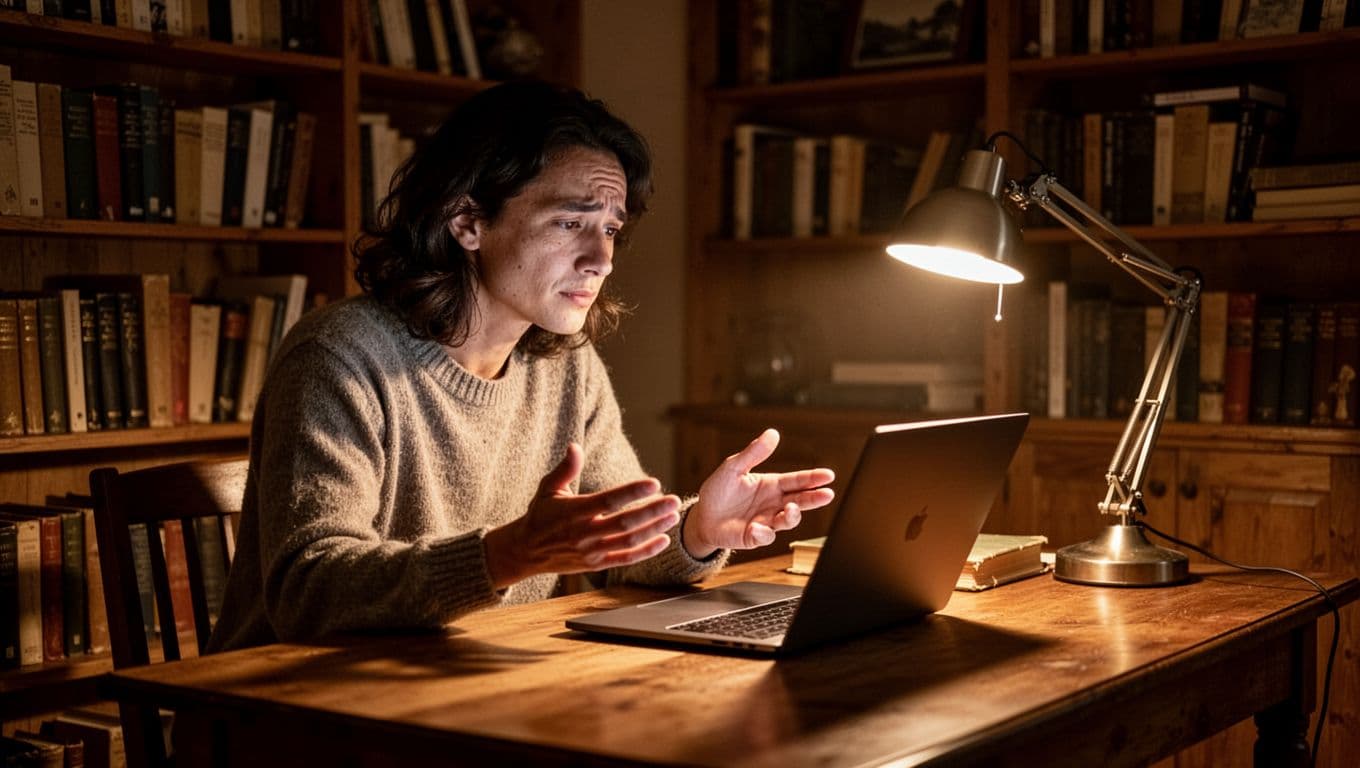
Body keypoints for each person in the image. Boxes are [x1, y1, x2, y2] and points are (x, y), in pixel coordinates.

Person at [206, 81, 835, 653]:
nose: (602, 259)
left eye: (611, 230)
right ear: (468, 221)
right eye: (570, 222)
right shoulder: (339, 356)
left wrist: (699, 527)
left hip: (468, 690)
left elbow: (615, 544)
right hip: (291, 715)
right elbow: (306, 592)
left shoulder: (567, 364)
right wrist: (505, 555)